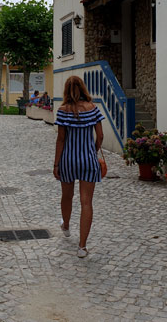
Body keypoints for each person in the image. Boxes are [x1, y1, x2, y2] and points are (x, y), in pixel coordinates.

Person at [53, 76, 104, 258]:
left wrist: (56, 163)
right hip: (89, 160)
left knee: (67, 196)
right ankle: (82, 247)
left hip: (68, 159)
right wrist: (93, 150)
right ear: (83, 88)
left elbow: (61, 139)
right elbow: (100, 136)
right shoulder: (93, 109)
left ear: (66, 90)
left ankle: (66, 226)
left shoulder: (63, 111)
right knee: (86, 202)